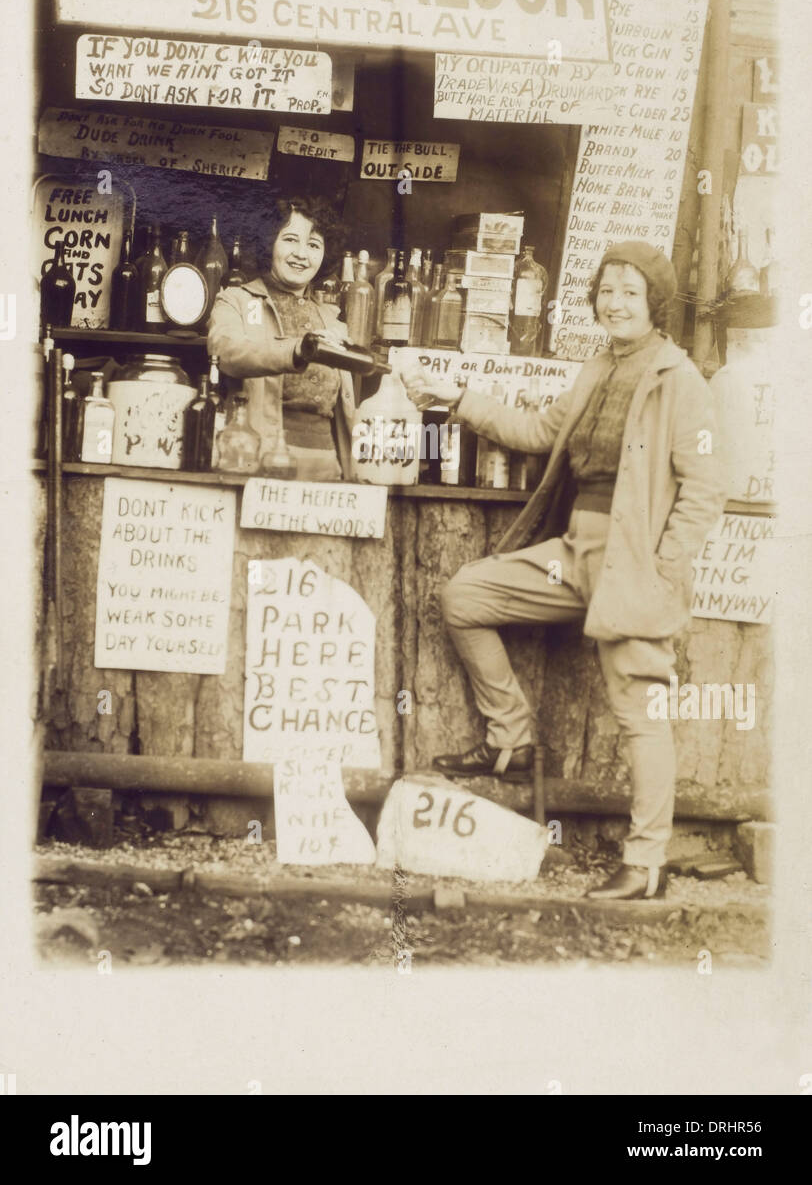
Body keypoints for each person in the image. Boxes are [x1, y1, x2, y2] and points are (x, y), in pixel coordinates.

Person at [402, 241, 728, 901]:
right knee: (466, 595)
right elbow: (536, 430)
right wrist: (458, 396)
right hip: (572, 559)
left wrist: (662, 569)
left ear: (655, 305)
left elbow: (707, 485)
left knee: (640, 712)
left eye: (631, 292)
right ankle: (512, 738)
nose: (615, 303)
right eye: (606, 291)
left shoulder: (680, 379)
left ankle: (645, 864)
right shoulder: (598, 366)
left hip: (631, 565)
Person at [207, 195, 356, 481]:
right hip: (260, 462)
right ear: (268, 243)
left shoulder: (332, 320)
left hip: (328, 469)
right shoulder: (235, 300)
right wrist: (297, 350)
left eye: (313, 245)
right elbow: (225, 351)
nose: (302, 254)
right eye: (290, 240)